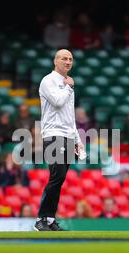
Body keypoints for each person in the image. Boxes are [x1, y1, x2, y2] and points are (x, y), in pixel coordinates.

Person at [35, 49, 84, 231]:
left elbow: (69, 116)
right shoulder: (49, 81)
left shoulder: (65, 83)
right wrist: (69, 87)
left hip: (67, 134)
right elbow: (57, 102)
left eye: (71, 58)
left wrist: (77, 138)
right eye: (64, 58)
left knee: (60, 178)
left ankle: (49, 219)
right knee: (57, 176)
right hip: (53, 133)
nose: (68, 61)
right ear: (55, 61)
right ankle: (41, 219)